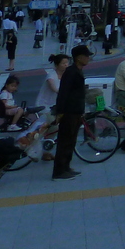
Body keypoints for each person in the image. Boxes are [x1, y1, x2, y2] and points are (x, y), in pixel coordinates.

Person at [52, 44, 93, 180]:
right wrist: (60, 112)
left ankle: (66, 167)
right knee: (65, 141)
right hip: (68, 113)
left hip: (76, 112)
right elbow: (63, 93)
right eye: (86, 56)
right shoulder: (71, 72)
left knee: (71, 141)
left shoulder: (77, 71)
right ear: (79, 58)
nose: (88, 58)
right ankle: (59, 171)